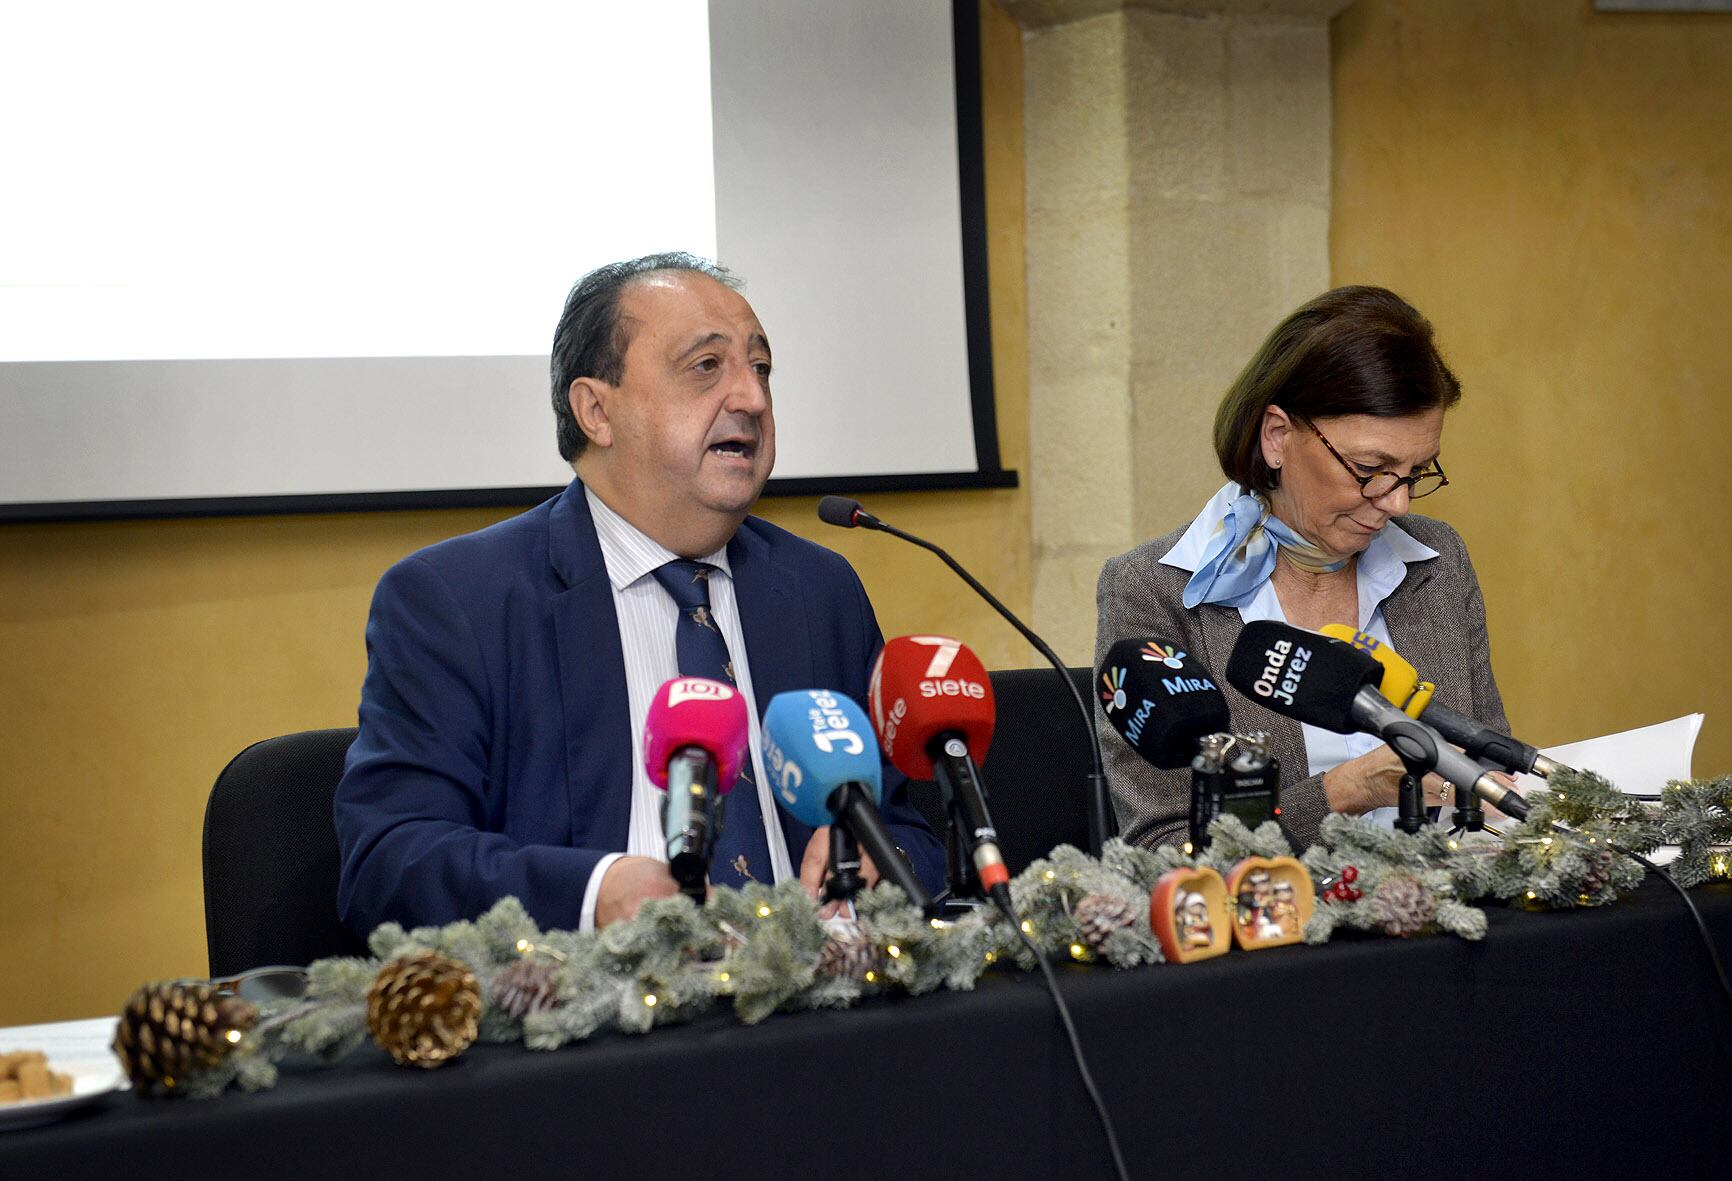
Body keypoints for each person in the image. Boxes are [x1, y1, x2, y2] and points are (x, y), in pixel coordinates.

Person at [335, 253, 944, 936]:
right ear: (597, 409)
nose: (752, 398)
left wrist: (874, 859)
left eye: (761, 368)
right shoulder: (457, 602)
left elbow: (907, 831)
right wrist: (595, 893)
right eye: (707, 366)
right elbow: (390, 862)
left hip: (819, 999)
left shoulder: (817, 591)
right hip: (598, 1016)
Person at [1095, 285, 1509, 851]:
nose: (1397, 504)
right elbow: (1162, 846)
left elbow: (1491, 765)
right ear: (1277, 436)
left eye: (1416, 472)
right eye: (1370, 469)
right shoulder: (1154, 589)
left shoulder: (1436, 561)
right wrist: (1346, 790)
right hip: (1283, 931)